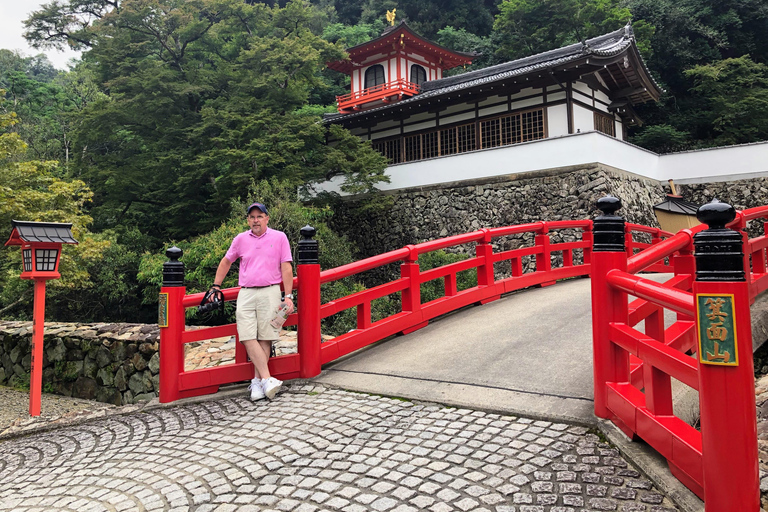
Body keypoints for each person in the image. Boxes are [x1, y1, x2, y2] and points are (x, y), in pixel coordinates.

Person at [209, 202, 294, 401]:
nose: (256, 220)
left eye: (259, 216)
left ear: (267, 218)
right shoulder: (240, 239)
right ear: (248, 220)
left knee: (265, 337)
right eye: (252, 217)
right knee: (246, 334)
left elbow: (286, 267)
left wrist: (288, 296)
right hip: (246, 292)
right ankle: (266, 379)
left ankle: (257, 384)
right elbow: (227, 261)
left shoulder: (279, 237)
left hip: (270, 290)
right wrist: (216, 285)